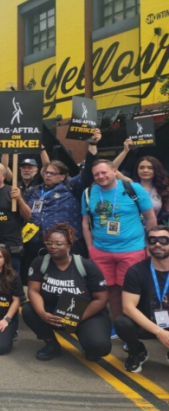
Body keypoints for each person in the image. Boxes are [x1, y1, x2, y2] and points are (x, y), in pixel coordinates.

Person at [82, 160, 156, 333]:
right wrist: (90, 248)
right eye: (96, 174)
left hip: (132, 249)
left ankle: (132, 326)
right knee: (110, 289)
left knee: (129, 290)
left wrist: (149, 245)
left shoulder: (133, 188)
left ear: (114, 171)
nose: (101, 176)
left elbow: (150, 217)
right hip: (101, 250)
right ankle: (118, 324)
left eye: (104, 172)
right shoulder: (88, 193)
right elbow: (85, 223)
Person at [23, 223, 111, 361]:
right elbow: (33, 291)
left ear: (69, 245)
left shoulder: (86, 265)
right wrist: (43, 314)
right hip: (53, 311)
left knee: (99, 346)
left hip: (84, 313)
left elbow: (101, 298)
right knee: (28, 309)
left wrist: (75, 320)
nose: (53, 247)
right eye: (49, 243)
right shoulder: (40, 263)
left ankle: (90, 346)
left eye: (59, 243)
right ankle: (52, 345)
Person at [115, 226, 169, 372]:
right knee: (121, 322)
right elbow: (128, 307)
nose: (158, 244)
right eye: (153, 240)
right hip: (145, 323)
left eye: (163, 240)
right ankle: (137, 351)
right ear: (147, 245)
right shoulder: (136, 271)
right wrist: (159, 332)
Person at [22, 160, 84, 284]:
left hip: (62, 245)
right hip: (34, 242)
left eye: (53, 173)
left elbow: (87, 174)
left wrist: (92, 147)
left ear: (62, 177)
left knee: (59, 280)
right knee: (34, 279)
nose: (48, 175)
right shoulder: (34, 191)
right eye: (46, 172)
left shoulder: (71, 188)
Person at [119, 154, 169, 219]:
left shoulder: (163, 188)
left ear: (156, 170)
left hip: (154, 227)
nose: (145, 170)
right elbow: (112, 169)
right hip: (132, 227)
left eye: (150, 168)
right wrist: (125, 151)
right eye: (141, 168)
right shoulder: (131, 186)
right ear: (137, 170)